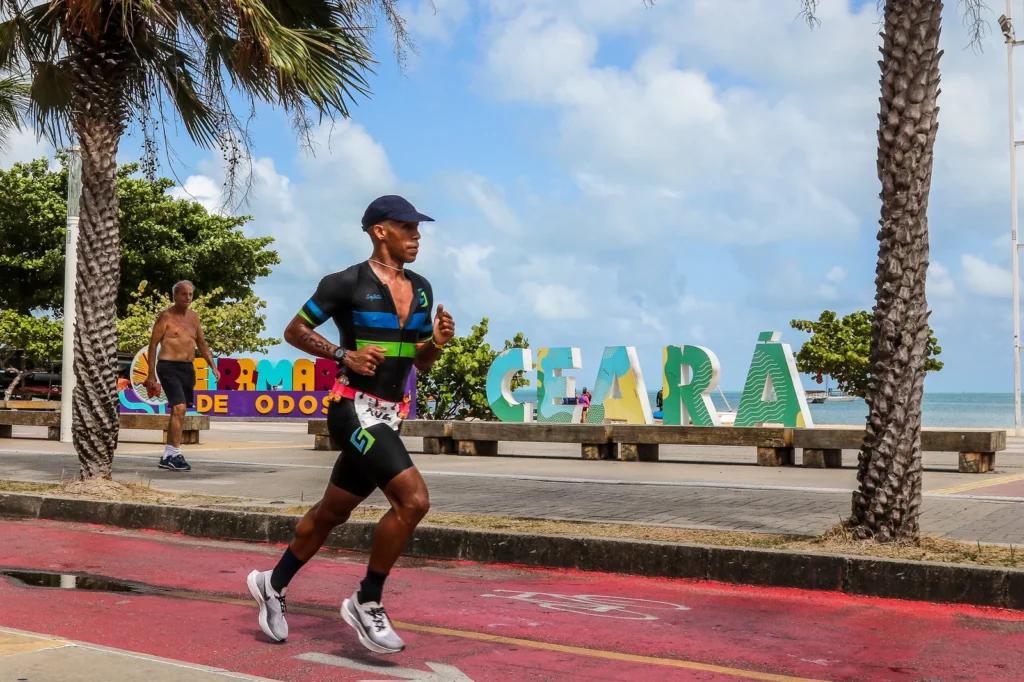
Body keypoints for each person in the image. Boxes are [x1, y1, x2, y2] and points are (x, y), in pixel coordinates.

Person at [246, 195, 455, 654]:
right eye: (407, 227)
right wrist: (345, 355)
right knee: (413, 501)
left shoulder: (421, 288)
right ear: (381, 231)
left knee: (331, 513)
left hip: (389, 415)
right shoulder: (345, 283)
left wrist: (436, 344)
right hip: (351, 408)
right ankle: (367, 600)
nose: (417, 235)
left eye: (418, 228)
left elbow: (419, 358)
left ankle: (271, 582)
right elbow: (294, 331)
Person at [143, 281, 220, 472]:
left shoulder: (194, 318)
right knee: (179, 407)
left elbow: (201, 343)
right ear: (175, 295)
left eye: (190, 294)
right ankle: (175, 453)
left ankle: (168, 455)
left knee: (180, 411)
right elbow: (153, 345)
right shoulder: (165, 317)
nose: (188, 298)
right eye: (184, 294)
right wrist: (150, 374)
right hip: (168, 367)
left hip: (187, 368)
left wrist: (213, 366)